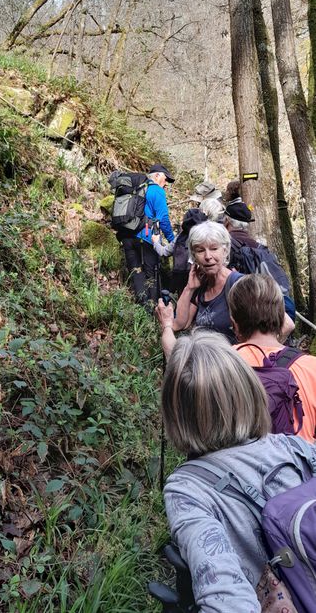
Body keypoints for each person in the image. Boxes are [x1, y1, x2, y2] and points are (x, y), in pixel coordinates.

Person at [162, 329, 316, 613]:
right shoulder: (297, 448)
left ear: (176, 413)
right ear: (248, 389)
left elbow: (225, 596)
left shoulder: (186, 489)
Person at [228, 274, 316, 441]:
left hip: (238, 465)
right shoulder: (312, 368)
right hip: (298, 464)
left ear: (234, 322)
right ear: (282, 318)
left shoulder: (222, 363)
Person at [172, 221, 242, 343]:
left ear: (225, 251)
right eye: (200, 250)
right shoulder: (201, 287)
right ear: (193, 256)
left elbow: (285, 325)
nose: (208, 256)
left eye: (214, 248)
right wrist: (189, 288)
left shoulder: (240, 284)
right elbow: (178, 324)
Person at [119, 164, 175, 307]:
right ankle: (153, 310)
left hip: (127, 236)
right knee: (152, 274)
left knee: (136, 272)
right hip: (145, 238)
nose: (166, 183)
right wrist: (173, 241)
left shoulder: (136, 189)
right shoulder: (156, 191)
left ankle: (141, 309)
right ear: (156, 176)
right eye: (165, 178)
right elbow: (163, 219)